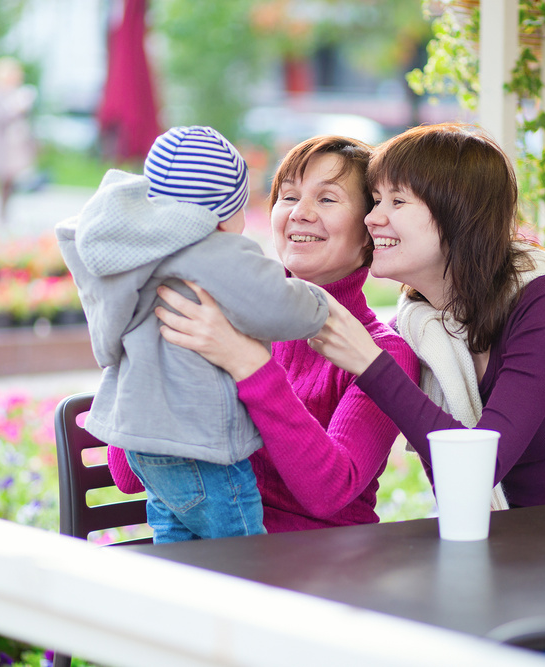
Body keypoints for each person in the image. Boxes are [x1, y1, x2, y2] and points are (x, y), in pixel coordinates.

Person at [306, 123, 545, 664]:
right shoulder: (424, 324)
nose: (374, 218)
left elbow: (478, 463)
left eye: (396, 201)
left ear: (457, 214)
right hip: (527, 574)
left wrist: (372, 366)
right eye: (375, 199)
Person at [108, 135, 421, 533]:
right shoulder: (215, 317)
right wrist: (146, 340)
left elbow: (329, 493)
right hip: (222, 561)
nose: (300, 213)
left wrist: (248, 364)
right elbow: (128, 475)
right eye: (288, 197)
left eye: (327, 199)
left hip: (327, 569)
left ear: (368, 230)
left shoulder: (381, 352)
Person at [57, 126, 330, 542]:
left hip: (144, 447)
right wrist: (319, 303)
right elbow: (275, 302)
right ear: (221, 212)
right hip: (203, 446)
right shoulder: (212, 250)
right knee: (242, 554)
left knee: (175, 544)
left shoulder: (134, 254)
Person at [0, 56, 38, 224]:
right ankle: (1, 216)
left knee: (12, 181)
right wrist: (17, 108)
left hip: (16, 146)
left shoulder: (17, 92)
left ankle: (6, 215)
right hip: (1, 147)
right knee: (3, 182)